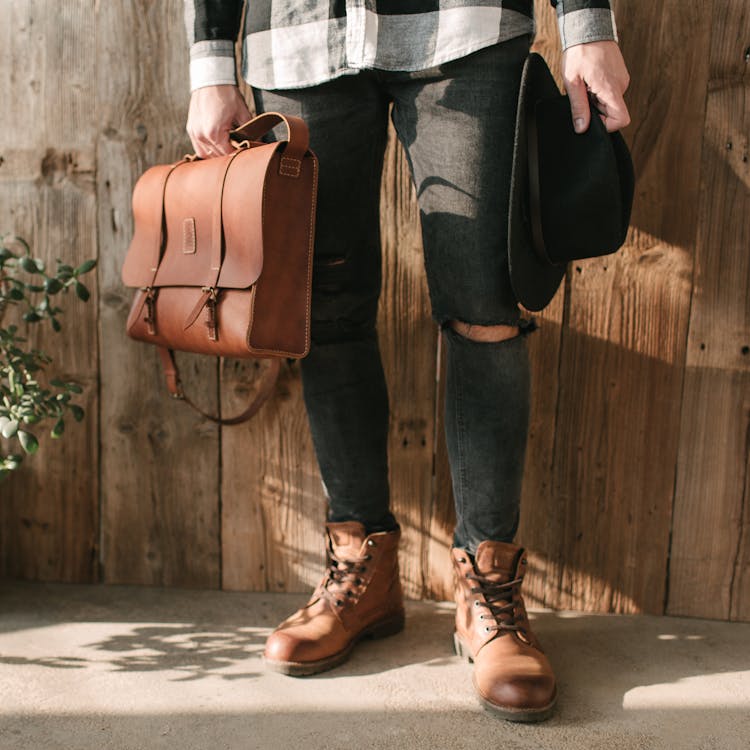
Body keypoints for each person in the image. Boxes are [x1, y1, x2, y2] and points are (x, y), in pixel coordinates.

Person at [184, 0, 630, 723]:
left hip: (467, 24)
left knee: (487, 309)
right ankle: (364, 566)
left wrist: (587, 23)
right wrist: (210, 59)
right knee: (322, 310)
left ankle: (488, 587)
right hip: (300, 34)